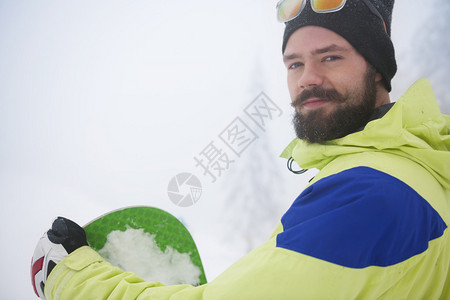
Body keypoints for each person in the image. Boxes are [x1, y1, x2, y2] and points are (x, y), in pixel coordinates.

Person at [31, 0, 450, 299]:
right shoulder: (418, 170)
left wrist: (72, 278)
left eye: (331, 57)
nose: (307, 78)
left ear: (377, 67)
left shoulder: (370, 194)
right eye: (294, 63)